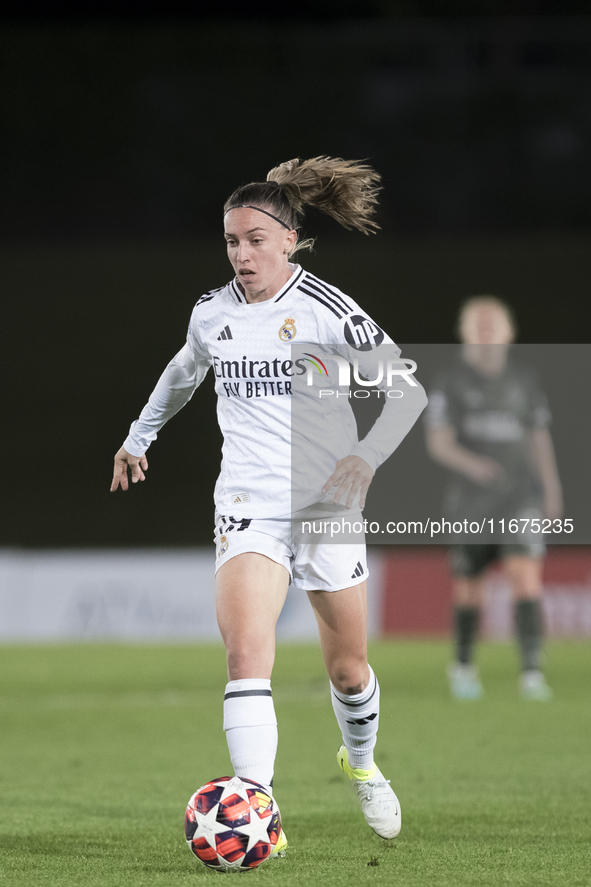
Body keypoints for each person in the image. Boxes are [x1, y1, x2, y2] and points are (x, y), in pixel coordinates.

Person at [111, 156, 427, 851]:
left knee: (348, 669)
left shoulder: (328, 309)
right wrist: (139, 436)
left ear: (289, 238)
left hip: (325, 507)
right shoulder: (211, 312)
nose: (241, 254)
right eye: (231, 241)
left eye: (255, 239)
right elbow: (183, 370)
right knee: (246, 653)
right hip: (248, 501)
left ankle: (362, 761)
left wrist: (363, 457)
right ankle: (260, 809)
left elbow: (407, 392)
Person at [425, 296, 562, 701]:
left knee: (526, 578)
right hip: (470, 501)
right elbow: (439, 442)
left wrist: (551, 489)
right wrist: (472, 464)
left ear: (508, 332)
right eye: (477, 325)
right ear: (465, 333)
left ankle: (532, 673)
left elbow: (539, 438)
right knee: (469, 586)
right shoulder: (449, 382)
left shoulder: (525, 382)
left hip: (518, 497)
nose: (486, 332)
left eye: (493, 325)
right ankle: (464, 667)